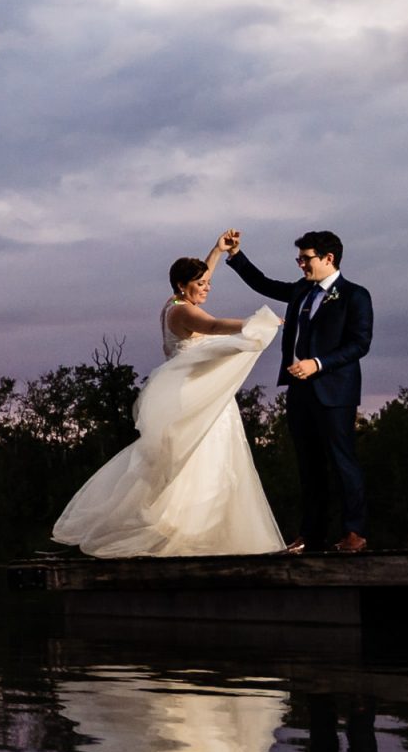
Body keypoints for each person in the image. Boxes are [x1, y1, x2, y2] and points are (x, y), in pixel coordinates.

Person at [51, 233, 285, 557]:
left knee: (214, 460)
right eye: (200, 283)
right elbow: (215, 326)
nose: (207, 287)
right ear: (180, 285)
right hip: (193, 396)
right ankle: (182, 531)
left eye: (207, 282)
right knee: (197, 458)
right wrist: (259, 323)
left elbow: (201, 280)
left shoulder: (177, 302)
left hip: (197, 393)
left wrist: (217, 251)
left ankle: (206, 531)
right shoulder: (182, 312)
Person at [225, 228, 372, 554]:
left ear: (328, 258)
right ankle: (311, 535)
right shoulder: (301, 291)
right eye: (299, 259)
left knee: (342, 462)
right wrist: (235, 256)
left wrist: (318, 363)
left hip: (335, 392)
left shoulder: (355, 295)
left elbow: (360, 343)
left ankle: (354, 533)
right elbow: (265, 284)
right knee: (308, 465)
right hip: (299, 392)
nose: (301, 265)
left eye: (306, 259)